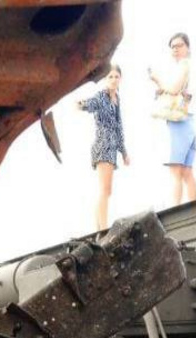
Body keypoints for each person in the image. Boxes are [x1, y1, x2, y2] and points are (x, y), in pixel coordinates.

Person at [77, 64, 130, 231]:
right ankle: (102, 227)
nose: (113, 80)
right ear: (105, 80)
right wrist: (82, 104)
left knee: (106, 190)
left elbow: (119, 127)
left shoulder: (116, 99)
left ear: (120, 78)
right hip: (103, 144)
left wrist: (124, 152)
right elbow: (90, 104)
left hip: (112, 146)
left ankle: (99, 227)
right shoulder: (102, 96)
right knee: (105, 190)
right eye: (110, 77)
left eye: (116, 76)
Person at [149, 32, 196, 206]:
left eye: (179, 45)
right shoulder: (190, 66)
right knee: (186, 171)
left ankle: (175, 210)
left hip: (179, 123)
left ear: (188, 47)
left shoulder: (184, 65)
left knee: (175, 171)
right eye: (173, 47)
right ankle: (195, 209)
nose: (176, 49)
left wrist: (157, 81)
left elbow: (174, 89)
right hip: (189, 121)